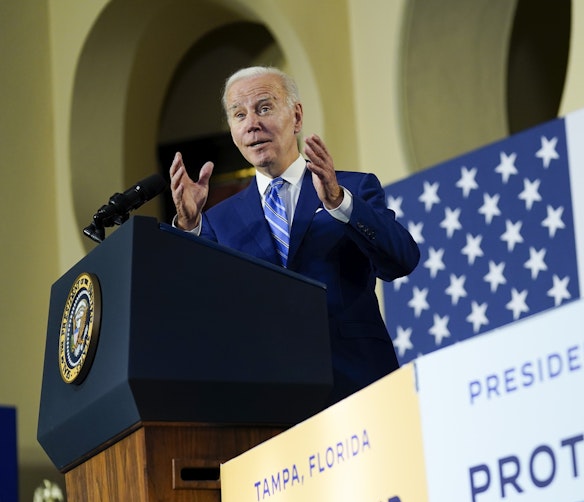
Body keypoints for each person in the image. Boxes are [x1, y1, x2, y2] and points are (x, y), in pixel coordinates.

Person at [169, 66, 420, 406]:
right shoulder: (217, 221)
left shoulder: (353, 188)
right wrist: (188, 229)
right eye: (239, 115)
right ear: (232, 131)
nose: (252, 123)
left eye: (264, 107)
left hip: (359, 383)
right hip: (269, 399)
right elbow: (196, 307)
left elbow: (401, 260)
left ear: (297, 117)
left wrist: (339, 203)